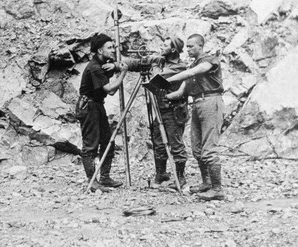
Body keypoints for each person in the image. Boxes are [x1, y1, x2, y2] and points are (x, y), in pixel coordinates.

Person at [102, 37, 189, 190]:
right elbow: (135, 63)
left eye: (165, 44)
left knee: (175, 145)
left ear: (174, 50)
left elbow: (157, 79)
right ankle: (161, 174)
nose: (161, 46)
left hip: (174, 110)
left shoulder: (180, 67)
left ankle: (180, 177)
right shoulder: (160, 60)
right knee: (158, 141)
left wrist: (154, 63)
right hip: (160, 109)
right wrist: (115, 65)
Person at [165, 33, 225, 201]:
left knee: (208, 148)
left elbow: (194, 72)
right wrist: (161, 93)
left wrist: (166, 80)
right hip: (198, 104)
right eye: (187, 47)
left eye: (191, 46)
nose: (188, 49)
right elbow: (181, 92)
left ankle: (217, 189)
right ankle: (207, 183)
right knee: (197, 147)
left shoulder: (209, 60)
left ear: (200, 46)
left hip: (211, 102)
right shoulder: (193, 65)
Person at [77, 33, 128, 192]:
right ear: (100, 50)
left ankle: (104, 177)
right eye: (110, 47)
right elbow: (109, 89)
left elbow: (109, 89)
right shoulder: (94, 68)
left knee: (107, 141)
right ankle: (92, 181)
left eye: (113, 47)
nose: (113, 50)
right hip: (89, 106)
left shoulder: (103, 63)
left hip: (97, 105)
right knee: (90, 145)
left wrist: (115, 66)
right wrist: (123, 73)